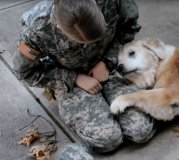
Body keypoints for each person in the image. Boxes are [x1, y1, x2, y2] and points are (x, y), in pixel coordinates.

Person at [13, 0, 156, 154]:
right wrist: (73, 77)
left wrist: (107, 61)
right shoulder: (38, 29)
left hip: (110, 66)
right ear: (58, 26)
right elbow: (24, 72)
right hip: (70, 81)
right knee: (108, 140)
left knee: (142, 131)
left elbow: (129, 28)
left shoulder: (113, 2)